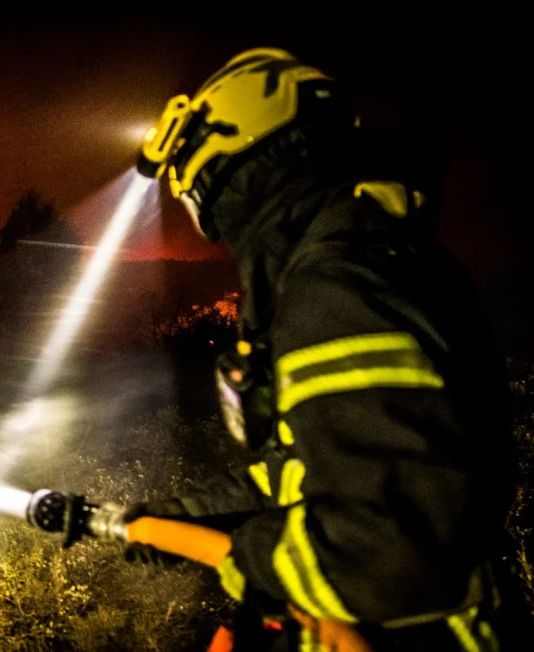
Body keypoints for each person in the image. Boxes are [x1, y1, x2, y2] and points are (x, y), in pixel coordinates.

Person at [127, 47, 520, 650]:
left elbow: (387, 556)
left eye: (195, 187)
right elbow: (307, 470)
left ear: (232, 164)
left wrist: (244, 561)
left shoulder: (338, 286)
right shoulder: (366, 258)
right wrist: (182, 514)